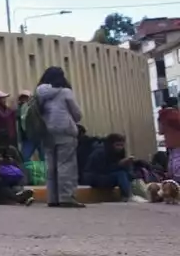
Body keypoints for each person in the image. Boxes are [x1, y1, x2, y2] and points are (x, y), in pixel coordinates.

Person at [34, 66, 84, 208]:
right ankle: (66, 197)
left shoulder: (39, 93)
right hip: (65, 131)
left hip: (47, 132)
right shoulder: (65, 92)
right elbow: (77, 114)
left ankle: (52, 198)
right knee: (66, 165)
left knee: (51, 166)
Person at [83, 133, 140, 203]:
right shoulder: (100, 152)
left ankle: (132, 194)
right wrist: (119, 165)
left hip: (107, 175)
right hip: (95, 177)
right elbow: (103, 170)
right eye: (117, 145)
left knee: (127, 174)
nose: (120, 148)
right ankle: (127, 196)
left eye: (121, 145)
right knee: (121, 174)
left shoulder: (119, 153)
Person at [16, 90, 44, 162]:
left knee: (44, 158)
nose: (24, 100)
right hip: (27, 138)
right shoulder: (18, 110)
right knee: (24, 158)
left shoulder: (36, 107)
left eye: (26, 98)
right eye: (22, 98)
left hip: (39, 136)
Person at [157, 96, 180, 180]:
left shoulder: (161, 115)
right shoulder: (175, 114)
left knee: (172, 161)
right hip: (178, 141)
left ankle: (172, 179)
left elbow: (161, 131)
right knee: (177, 161)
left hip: (169, 142)